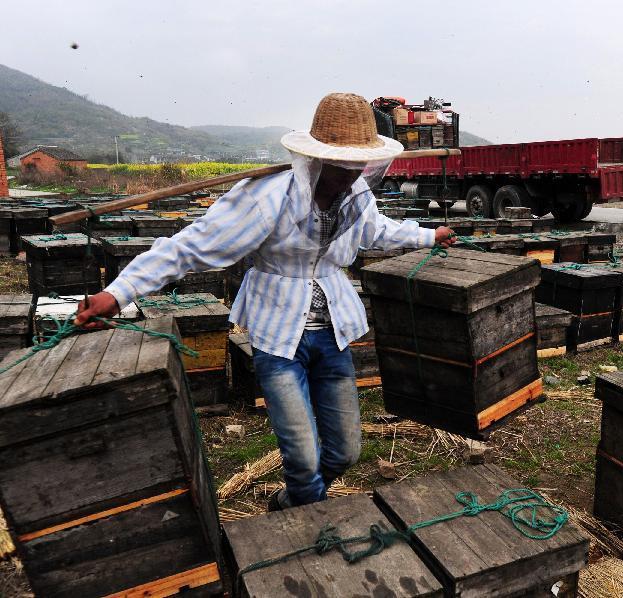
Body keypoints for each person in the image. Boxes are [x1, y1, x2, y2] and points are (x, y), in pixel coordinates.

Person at [75, 93, 455, 509]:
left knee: (345, 452)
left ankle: (291, 503)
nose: (350, 176)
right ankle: (308, 520)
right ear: (318, 156)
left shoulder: (357, 192)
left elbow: (377, 231)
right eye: (342, 165)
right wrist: (118, 292)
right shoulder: (267, 196)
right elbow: (191, 247)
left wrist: (426, 235)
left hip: (334, 332)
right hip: (279, 336)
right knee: (303, 457)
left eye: (357, 165)